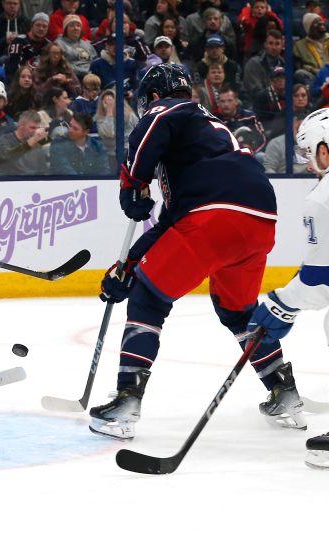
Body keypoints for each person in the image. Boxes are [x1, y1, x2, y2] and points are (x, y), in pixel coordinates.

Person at [89, 64, 305, 441]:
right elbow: (172, 225)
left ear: (155, 96)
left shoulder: (171, 110)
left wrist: (132, 182)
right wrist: (130, 265)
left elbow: (155, 123)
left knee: (148, 301)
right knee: (238, 312)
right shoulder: (203, 142)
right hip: (258, 218)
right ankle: (284, 392)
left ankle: (126, 401)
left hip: (213, 215)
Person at [250, 107, 329, 468]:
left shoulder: (321, 198)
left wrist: (281, 306)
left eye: (309, 153)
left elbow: (318, 279)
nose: (309, 163)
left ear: (324, 150)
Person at [0, 109, 48, 175]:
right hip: (9, 181)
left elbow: (43, 171)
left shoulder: (36, 144)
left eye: (37, 128)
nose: (35, 131)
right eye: (32, 128)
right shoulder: (5, 140)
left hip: (32, 182)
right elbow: (4, 159)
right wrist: (31, 142)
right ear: (21, 125)